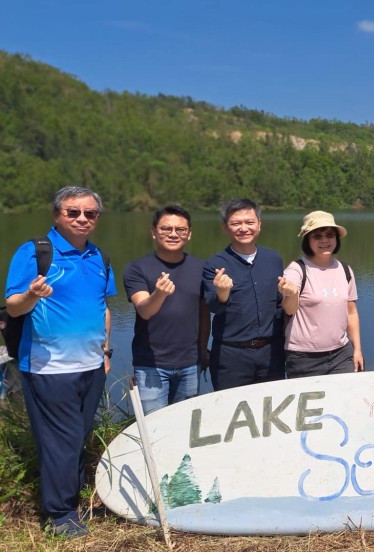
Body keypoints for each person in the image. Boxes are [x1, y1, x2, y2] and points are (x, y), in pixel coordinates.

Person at [4, 186, 115, 537]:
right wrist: (31, 295)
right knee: (61, 441)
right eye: (73, 212)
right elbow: (13, 306)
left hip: (91, 367)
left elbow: (103, 307)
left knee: (77, 437)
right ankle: (61, 514)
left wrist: (106, 351)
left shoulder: (99, 257)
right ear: (57, 215)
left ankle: (72, 498)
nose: (82, 218)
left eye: (90, 213)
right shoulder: (36, 253)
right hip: (49, 367)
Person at [124, 205, 209, 414]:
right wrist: (159, 294)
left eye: (180, 229)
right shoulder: (137, 268)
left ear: (189, 234)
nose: (173, 234)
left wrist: (203, 350)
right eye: (165, 229)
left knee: (183, 426)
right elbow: (145, 310)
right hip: (151, 366)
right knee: (152, 429)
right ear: (153, 232)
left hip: (190, 364)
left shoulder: (200, 268)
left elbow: (204, 314)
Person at [202, 198, 285, 390]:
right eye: (236, 223)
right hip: (231, 356)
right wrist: (222, 293)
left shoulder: (273, 259)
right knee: (230, 413)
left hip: (271, 352)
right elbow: (212, 306)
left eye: (249, 222)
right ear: (225, 227)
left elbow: (279, 304)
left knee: (271, 411)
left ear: (259, 225)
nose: (243, 228)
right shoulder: (215, 264)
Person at [281, 211, 363, 377]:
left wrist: (357, 350)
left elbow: (352, 313)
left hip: (342, 355)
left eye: (329, 235)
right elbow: (289, 309)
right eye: (317, 236)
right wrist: (291, 293)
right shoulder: (296, 269)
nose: (324, 240)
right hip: (303, 358)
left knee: (344, 401)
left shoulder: (345, 270)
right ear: (307, 240)